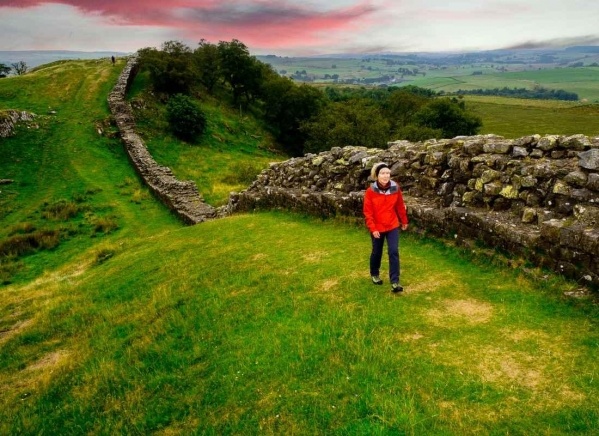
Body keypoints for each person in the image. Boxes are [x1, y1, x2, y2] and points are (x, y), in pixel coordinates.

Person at [363, 162, 409, 293]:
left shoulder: (395, 188)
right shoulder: (370, 191)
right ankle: (374, 274)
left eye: (388, 173)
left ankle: (395, 282)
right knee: (377, 252)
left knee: (393, 251)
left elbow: (400, 205)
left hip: (392, 225)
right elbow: (368, 212)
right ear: (377, 175)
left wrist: (404, 220)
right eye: (383, 173)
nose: (386, 176)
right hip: (377, 227)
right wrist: (373, 228)